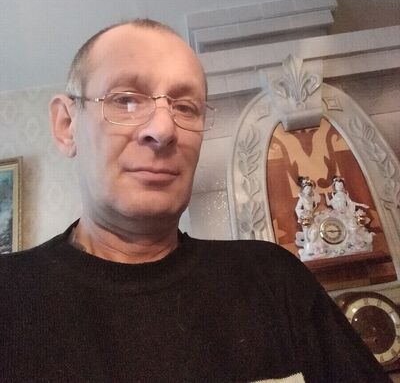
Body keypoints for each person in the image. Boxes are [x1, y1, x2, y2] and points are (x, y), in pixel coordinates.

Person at [0, 19, 389, 382]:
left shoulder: (273, 279)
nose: (163, 129)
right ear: (67, 125)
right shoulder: (10, 296)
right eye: (126, 99)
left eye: (186, 107)